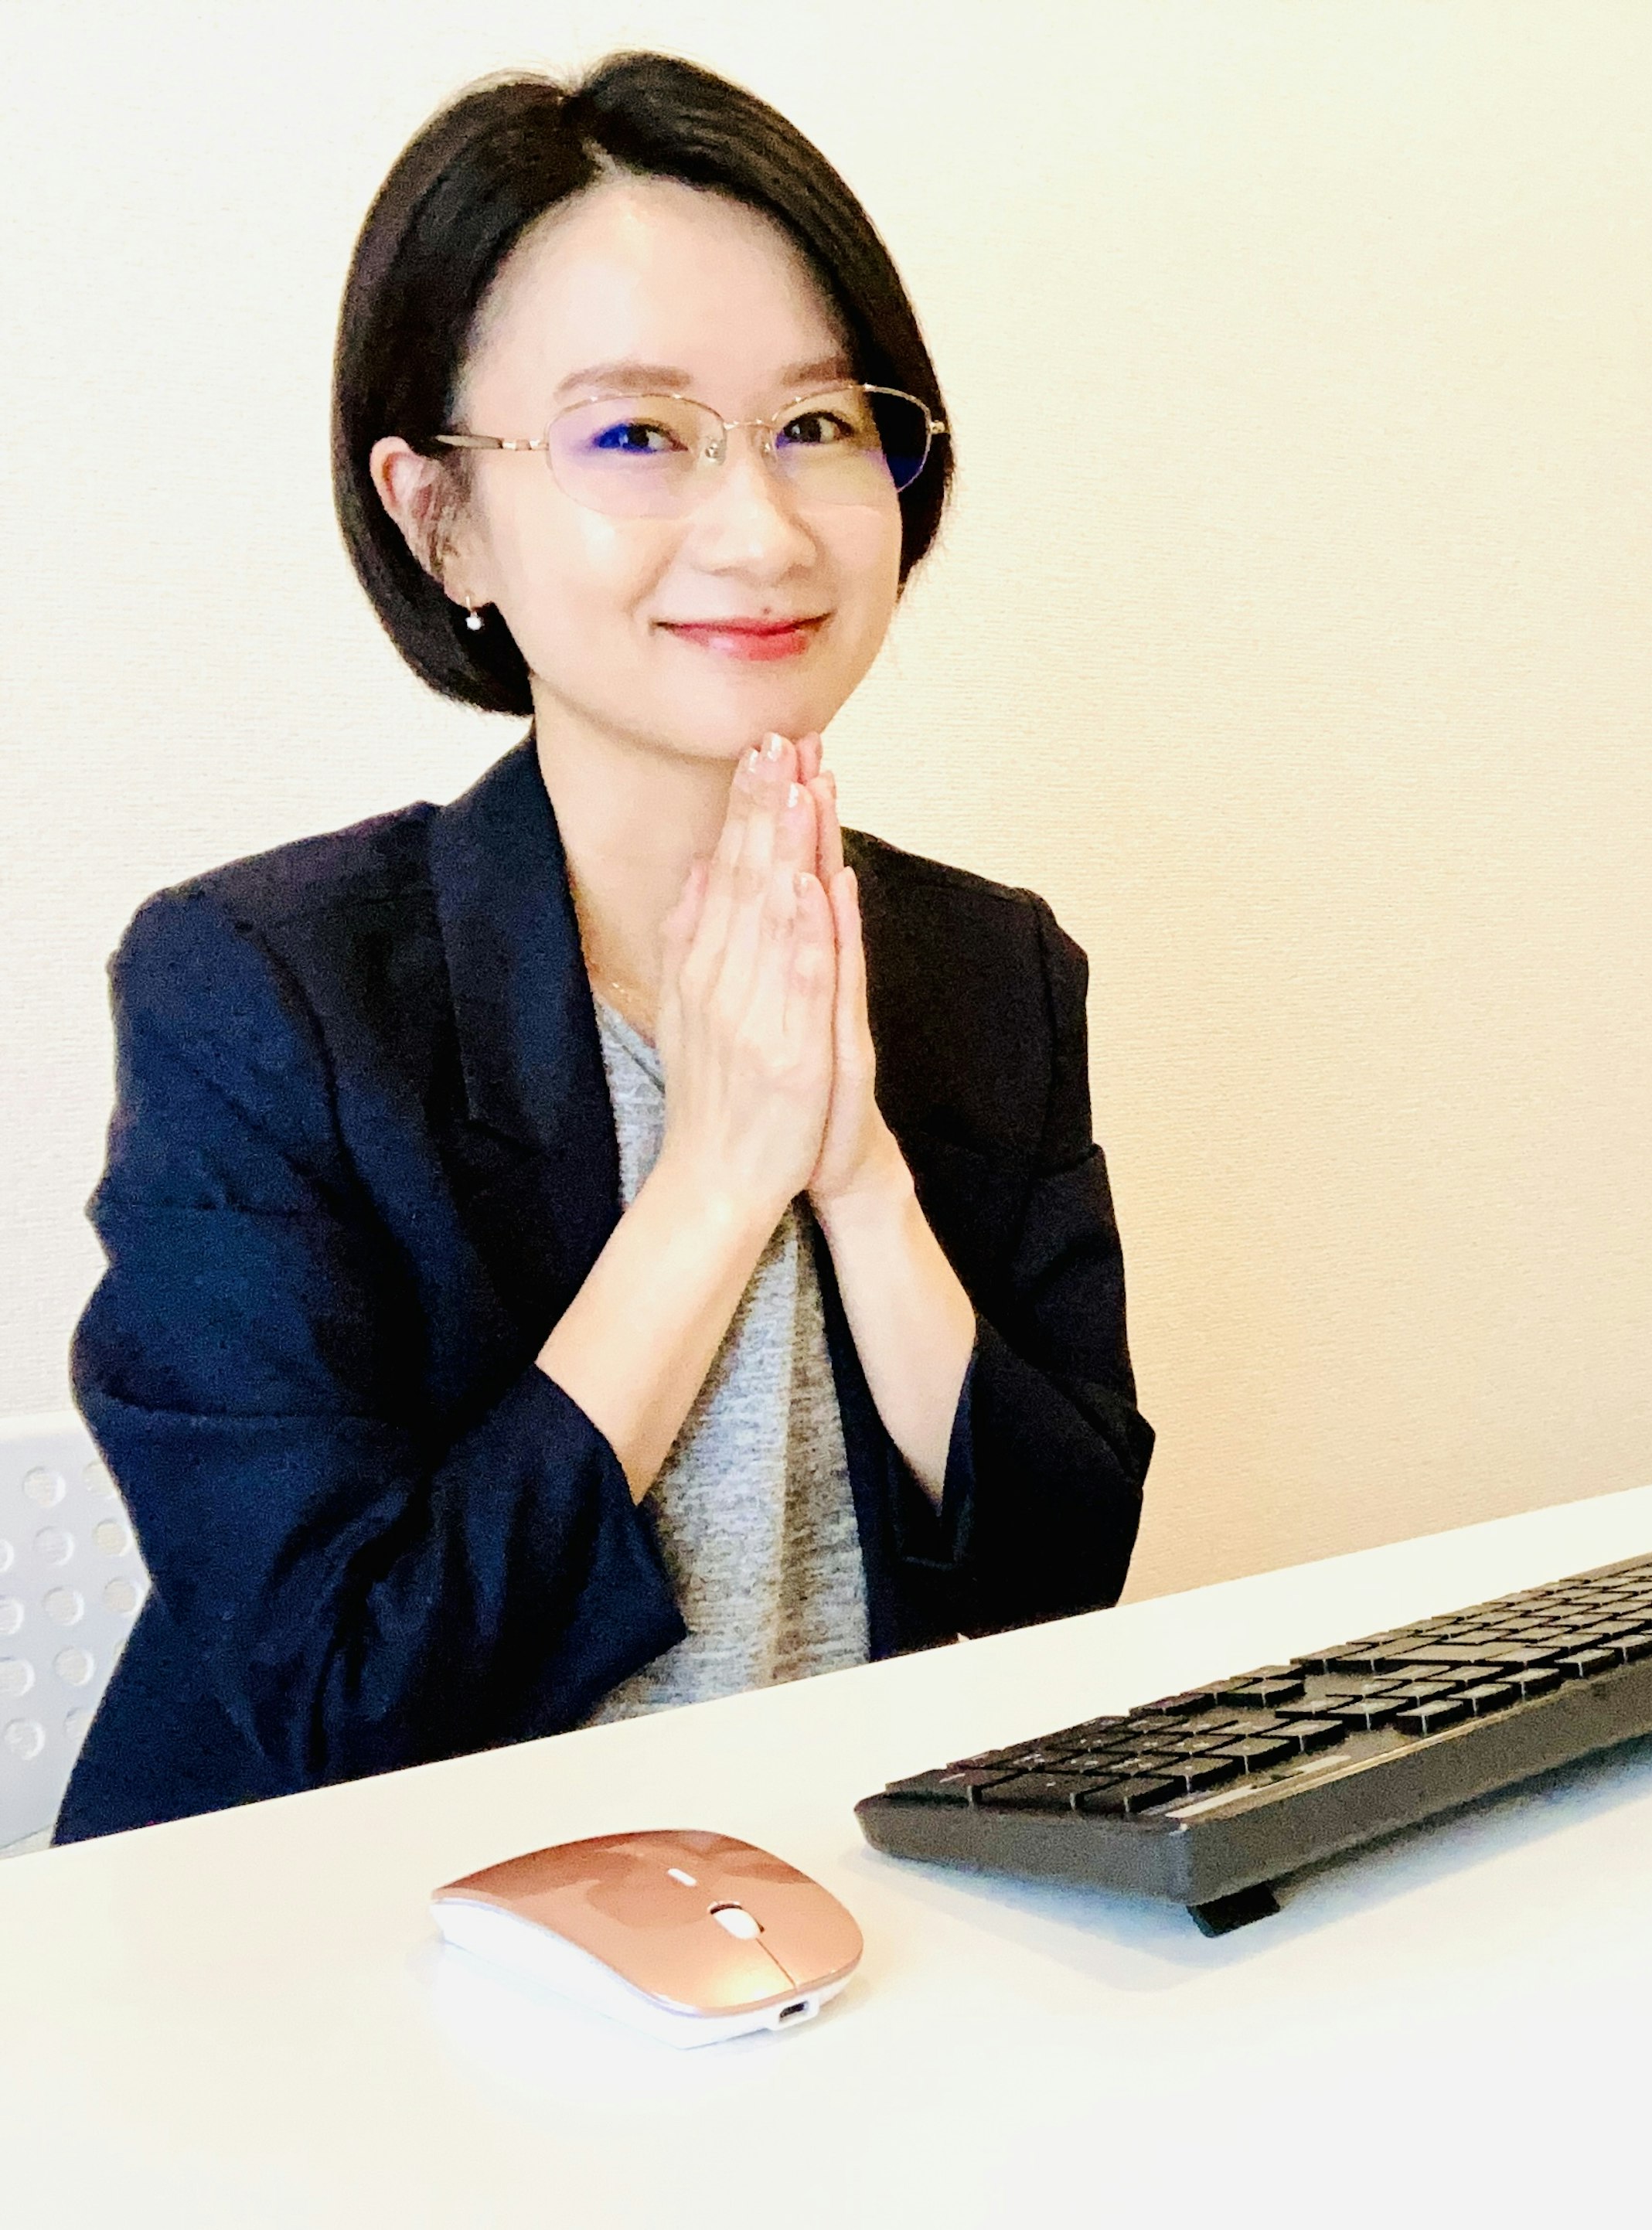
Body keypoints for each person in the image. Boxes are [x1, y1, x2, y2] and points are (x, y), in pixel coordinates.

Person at [56, 53, 1152, 1841]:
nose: (763, 527)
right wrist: (712, 1186)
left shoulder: (986, 970)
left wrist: (858, 1174)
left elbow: (1055, 1588)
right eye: (639, 435)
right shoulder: (261, 995)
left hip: (826, 1941)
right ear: (444, 517)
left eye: (818, 425)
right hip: (345, 1980)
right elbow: (353, 1690)